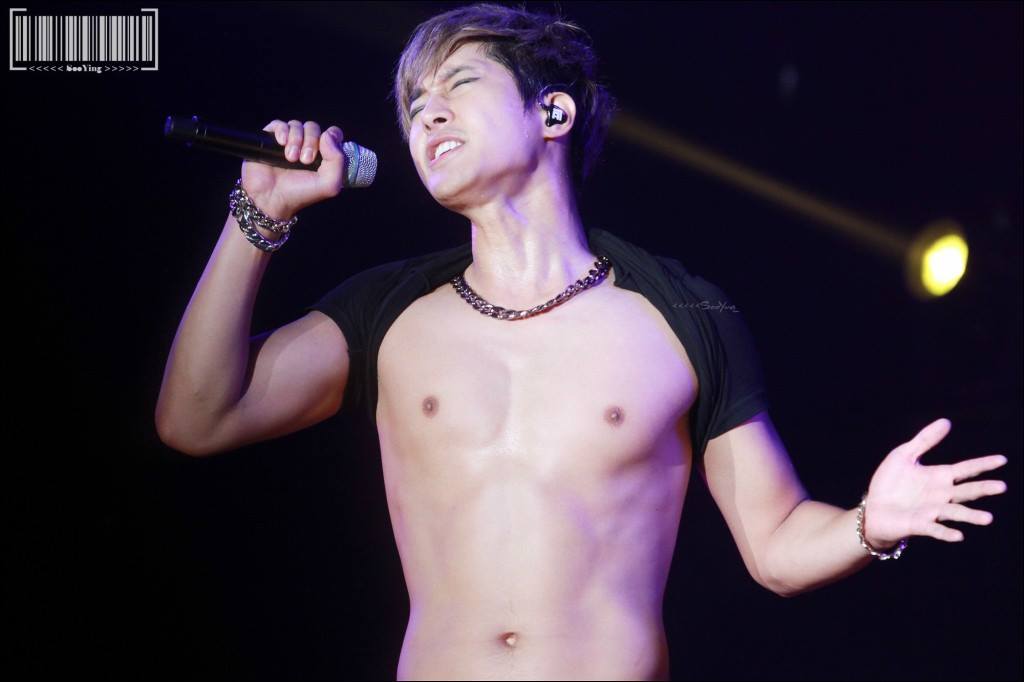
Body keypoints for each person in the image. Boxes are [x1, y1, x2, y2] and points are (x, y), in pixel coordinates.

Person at [155, 3, 1008, 680]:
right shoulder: (389, 312)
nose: (427, 113)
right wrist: (257, 216)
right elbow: (197, 418)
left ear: (552, 111)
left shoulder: (681, 311)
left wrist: (869, 524)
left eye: (458, 83)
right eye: (414, 105)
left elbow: (776, 542)